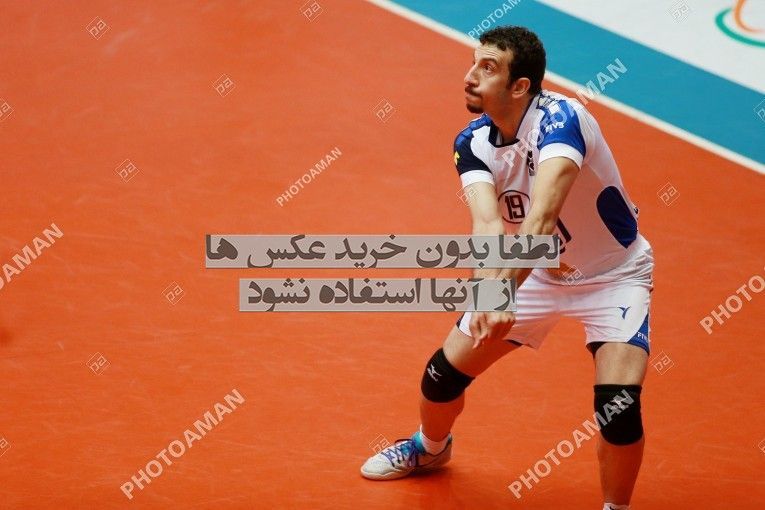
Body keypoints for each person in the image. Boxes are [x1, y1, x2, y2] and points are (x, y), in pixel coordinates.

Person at [359, 25, 654, 510]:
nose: (470, 76)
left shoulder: (562, 121)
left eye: (487, 68)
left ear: (520, 86)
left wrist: (503, 293)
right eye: (473, 63)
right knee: (442, 376)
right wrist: (486, 294)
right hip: (538, 274)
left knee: (617, 407)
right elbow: (487, 225)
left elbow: (541, 219)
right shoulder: (472, 142)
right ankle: (430, 447)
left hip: (613, 276)